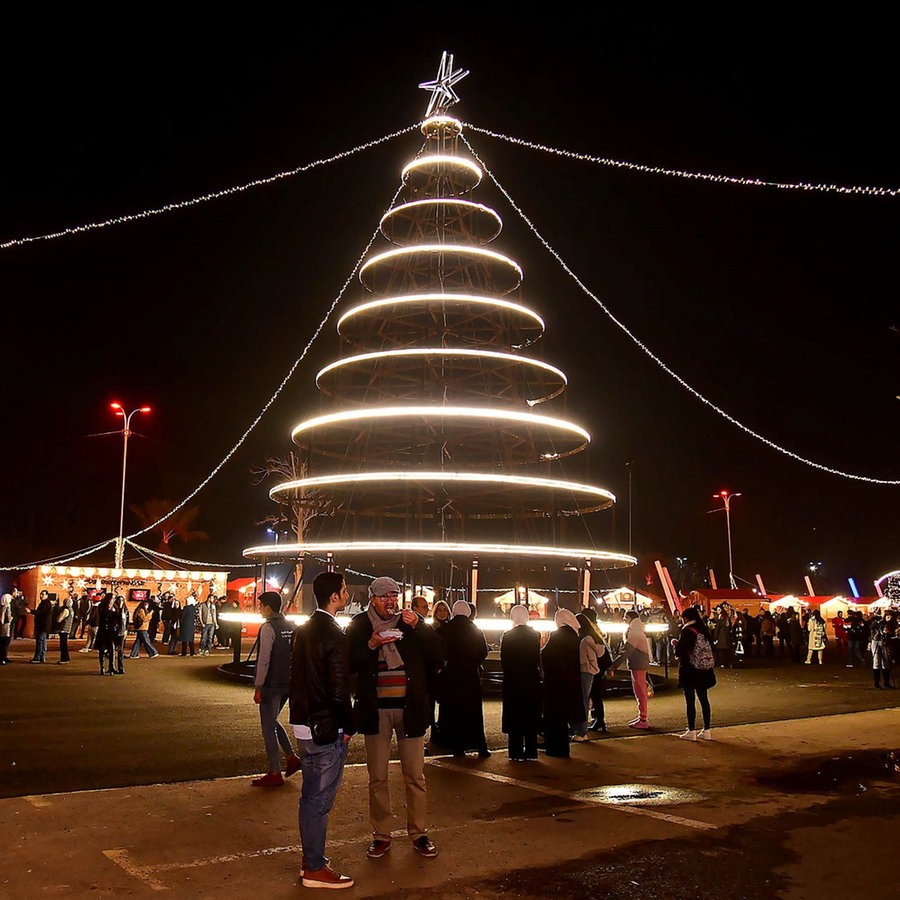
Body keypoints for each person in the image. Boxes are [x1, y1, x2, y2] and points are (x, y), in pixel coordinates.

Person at [346, 575, 446, 861]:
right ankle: (381, 835)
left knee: (414, 775)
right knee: (377, 776)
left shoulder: (409, 623)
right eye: (384, 596)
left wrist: (421, 626)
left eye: (394, 595)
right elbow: (348, 663)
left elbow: (439, 652)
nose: (391, 601)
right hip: (375, 711)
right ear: (373, 599)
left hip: (410, 709)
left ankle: (419, 833)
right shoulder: (360, 626)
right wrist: (372, 645)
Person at [289, 571, 356, 890]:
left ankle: (311, 859)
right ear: (334, 597)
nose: (346, 594)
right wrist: (349, 725)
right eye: (343, 590)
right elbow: (339, 690)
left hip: (303, 723)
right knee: (320, 800)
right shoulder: (333, 634)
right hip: (326, 727)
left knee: (308, 797)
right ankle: (314, 867)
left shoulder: (304, 629)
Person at [251, 591, 301, 787]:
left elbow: (264, 659)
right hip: (288, 683)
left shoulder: (268, 628)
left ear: (268, 607)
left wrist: (258, 686)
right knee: (272, 721)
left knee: (267, 727)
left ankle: (274, 771)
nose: (259, 609)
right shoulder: (292, 626)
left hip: (271, 684)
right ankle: (290, 757)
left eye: (261, 605)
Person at [436, 599, 490, 758]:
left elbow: (438, 651)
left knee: (453, 710)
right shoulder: (475, 629)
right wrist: (473, 662)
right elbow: (483, 651)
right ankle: (479, 745)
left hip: (450, 674)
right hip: (469, 675)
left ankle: (457, 747)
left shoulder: (444, 629)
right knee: (472, 711)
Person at [499, 603, 542, 760]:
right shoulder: (535, 635)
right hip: (531, 679)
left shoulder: (508, 635)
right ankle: (531, 751)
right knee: (530, 715)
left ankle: (515, 752)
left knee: (515, 716)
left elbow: (504, 660)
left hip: (513, 681)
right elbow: (537, 658)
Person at [540, 607, 583, 757]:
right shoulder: (574, 636)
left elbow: (546, 655)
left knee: (555, 717)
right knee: (564, 718)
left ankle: (555, 749)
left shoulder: (557, 636)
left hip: (555, 682)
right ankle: (563, 749)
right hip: (570, 681)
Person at [672, 606, 717, 740]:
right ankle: (707, 730)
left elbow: (681, 651)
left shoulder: (687, 631)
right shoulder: (703, 629)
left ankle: (691, 731)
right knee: (704, 699)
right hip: (703, 670)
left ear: (685, 618)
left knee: (690, 701)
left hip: (690, 670)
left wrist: (675, 644)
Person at [610, 609, 652, 729]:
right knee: (639, 690)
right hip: (638, 663)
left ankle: (643, 719)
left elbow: (626, 651)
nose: (624, 621)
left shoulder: (634, 633)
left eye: (625, 618)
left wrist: (614, 665)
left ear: (631, 619)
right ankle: (641, 717)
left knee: (640, 691)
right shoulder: (638, 631)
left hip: (638, 664)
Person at [572, 612, 608, 740]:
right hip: (587, 671)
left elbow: (596, 653)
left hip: (585, 671)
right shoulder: (589, 637)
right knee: (584, 699)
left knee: (583, 700)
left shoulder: (586, 639)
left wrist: (589, 664)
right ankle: (581, 729)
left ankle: (582, 732)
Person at [95, 594, 116, 675]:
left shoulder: (115, 606)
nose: (113, 600)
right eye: (112, 598)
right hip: (103, 630)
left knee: (112, 649)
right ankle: (102, 667)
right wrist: (110, 610)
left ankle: (111, 667)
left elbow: (117, 617)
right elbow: (102, 615)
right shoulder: (101, 606)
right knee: (102, 650)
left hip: (111, 631)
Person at [29, 590, 53, 663]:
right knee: (42, 641)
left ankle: (37, 657)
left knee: (40, 641)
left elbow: (41, 613)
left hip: (43, 626)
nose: (41, 596)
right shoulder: (45, 603)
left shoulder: (45, 603)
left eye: (42, 594)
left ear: (47, 595)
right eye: (40, 594)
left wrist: (31, 611)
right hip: (43, 626)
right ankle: (42, 657)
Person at [870, 620, 894, 689]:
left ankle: (886, 682)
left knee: (886, 662)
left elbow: (891, 634)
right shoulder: (875, 625)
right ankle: (876, 683)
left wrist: (887, 633)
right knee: (876, 661)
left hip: (885, 643)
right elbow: (872, 633)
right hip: (876, 642)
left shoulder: (889, 624)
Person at [110, 595, 130, 674]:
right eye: (119, 600)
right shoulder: (114, 609)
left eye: (122, 600)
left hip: (122, 631)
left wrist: (126, 630)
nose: (120, 601)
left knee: (120, 650)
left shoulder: (125, 609)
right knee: (112, 649)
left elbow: (126, 621)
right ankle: (112, 667)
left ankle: (121, 668)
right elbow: (116, 618)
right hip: (114, 631)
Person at [54, 597, 73, 664]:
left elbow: (59, 619)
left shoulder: (66, 610)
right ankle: (65, 658)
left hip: (64, 629)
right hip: (68, 629)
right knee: (64, 644)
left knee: (63, 645)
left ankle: (64, 659)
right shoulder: (71, 610)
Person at [0, 590, 12, 664]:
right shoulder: (6, 607)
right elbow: (6, 617)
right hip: (5, 627)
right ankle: (2, 658)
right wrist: (10, 618)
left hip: (4, 626)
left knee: (3, 643)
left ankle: (3, 657)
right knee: (4, 642)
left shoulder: (2, 606)